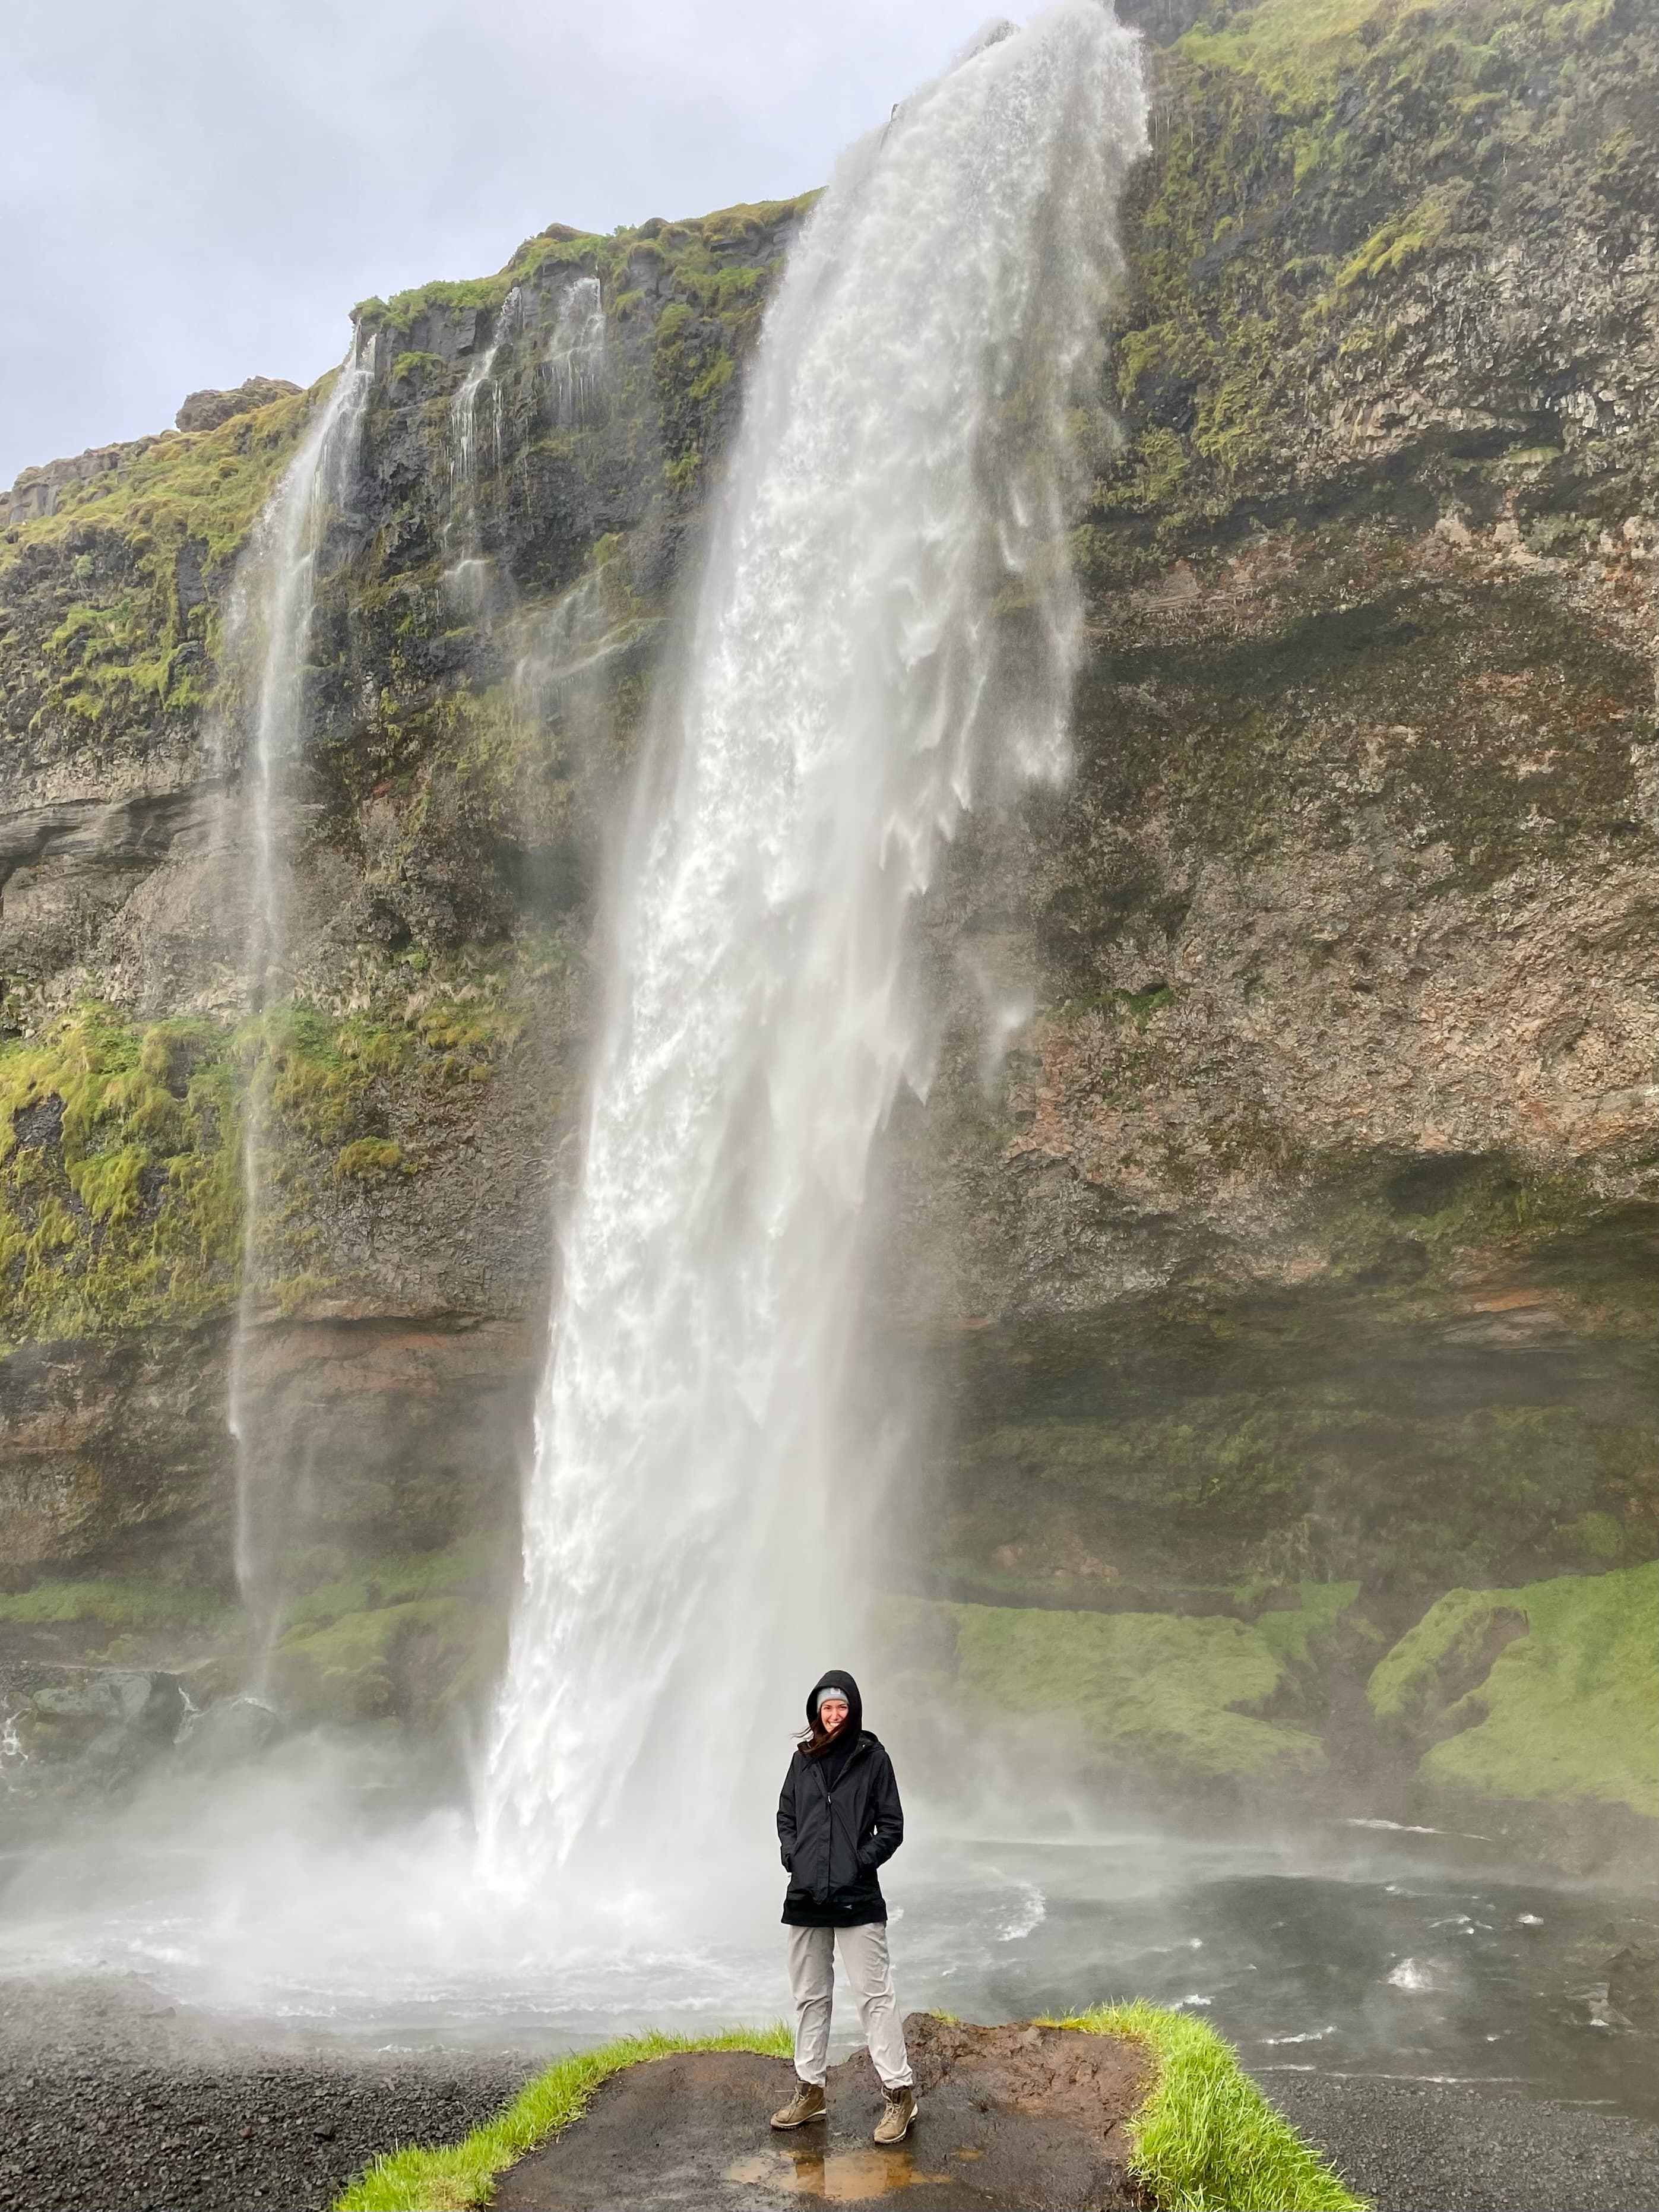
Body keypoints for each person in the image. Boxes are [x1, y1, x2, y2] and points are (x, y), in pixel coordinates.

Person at [770, 1669, 917, 2145]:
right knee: (810, 1996)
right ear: (817, 1711)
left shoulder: (874, 1759)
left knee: (874, 1997)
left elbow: (892, 1825)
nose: (834, 1715)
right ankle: (810, 2090)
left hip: (857, 1896)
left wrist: (859, 1861)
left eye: (841, 1706)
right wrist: (793, 1856)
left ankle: (900, 2094)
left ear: (853, 1710)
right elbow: (786, 1815)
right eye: (827, 1707)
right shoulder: (802, 1759)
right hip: (806, 1896)